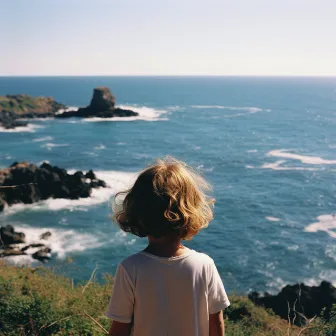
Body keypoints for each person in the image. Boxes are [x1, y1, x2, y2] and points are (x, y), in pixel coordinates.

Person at [106, 157, 230, 336]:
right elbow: (216, 324)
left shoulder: (130, 268)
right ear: (190, 211)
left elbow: (120, 328)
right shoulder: (204, 265)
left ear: (137, 212)